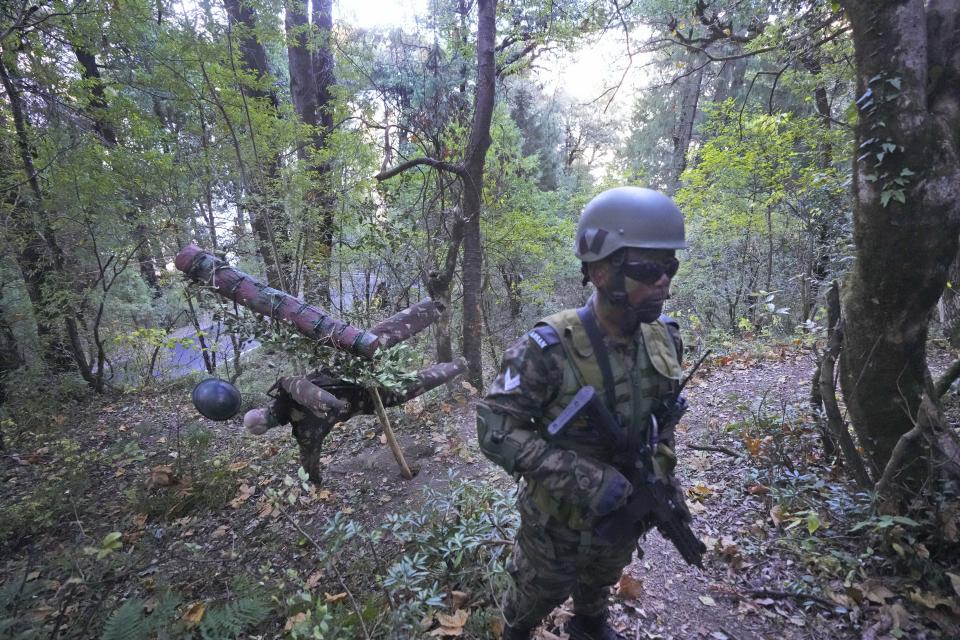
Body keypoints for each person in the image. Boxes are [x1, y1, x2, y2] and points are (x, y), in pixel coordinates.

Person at [477, 186, 693, 640]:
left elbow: (661, 422)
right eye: (647, 269)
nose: (664, 282)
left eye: (669, 267)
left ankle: (590, 623)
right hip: (556, 524)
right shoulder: (547, 350)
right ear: (599, 271)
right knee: (534, 596)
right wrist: (585, 478)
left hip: (623, 511)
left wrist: (664, 481)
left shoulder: (665, 340)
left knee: (602, 576)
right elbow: (494, 429)